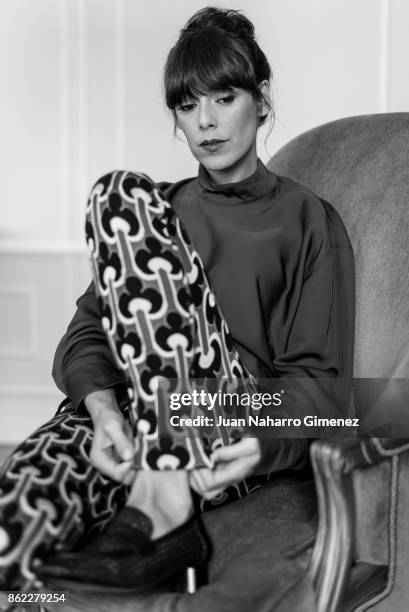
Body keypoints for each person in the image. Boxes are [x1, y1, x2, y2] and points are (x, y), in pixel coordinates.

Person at [0, 5, 354, 603]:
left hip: (218, 423)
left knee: (118, 193)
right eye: (188, 106)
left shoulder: (307, 219)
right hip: (124, 420)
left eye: (224, 98)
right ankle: (88, 567)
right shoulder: (155, 212)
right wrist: (103, 411)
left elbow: (325, 389)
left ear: (261, 100)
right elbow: (86, 333)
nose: (206, 122)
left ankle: (161, 500)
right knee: (17, 525)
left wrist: (264, 443)